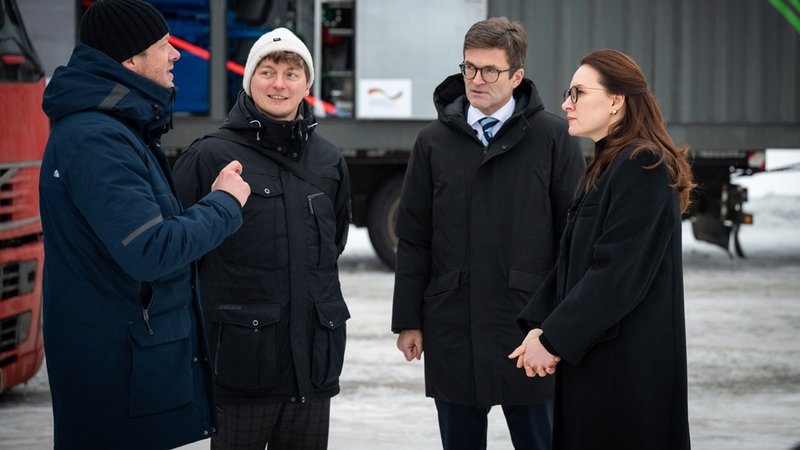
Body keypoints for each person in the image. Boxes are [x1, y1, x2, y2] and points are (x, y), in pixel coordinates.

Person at [39, 0, 251, 448]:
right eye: (163, 45)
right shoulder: (98, 138)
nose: (176, 54)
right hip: (116, 374)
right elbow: (150, 249)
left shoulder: (115, 128)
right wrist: (224, 204)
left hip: (125, 367)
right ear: (130, 60)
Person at [391, 17, 585, 450]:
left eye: (490, 71)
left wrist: (560, 325)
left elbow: (571, 237)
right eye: (469, 68)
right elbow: (415, 237)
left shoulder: (553, 138)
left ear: (516, 76)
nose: (476, 80)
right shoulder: (432, 142)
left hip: (530, 329)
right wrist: (408, 320)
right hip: (452, 325)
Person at [173, 27, 352, 450]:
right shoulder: (209, 156)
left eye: (292, 73)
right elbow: (179, 251)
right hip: (241, 366)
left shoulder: (328, 160)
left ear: (307, 84)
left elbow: (335, 243)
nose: (278, 83)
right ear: (248, 79)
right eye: (267, 71)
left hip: (312, 365)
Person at [509, 48, 694, 449]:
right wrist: (541, 325)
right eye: (567, 93)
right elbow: (573, 261)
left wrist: (554, 339)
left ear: (616, 101)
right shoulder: (611, 163)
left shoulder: (642, 165)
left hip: (625, 376)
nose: (565, 104)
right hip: (599, 361)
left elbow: (616, 274)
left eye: (578, 93)